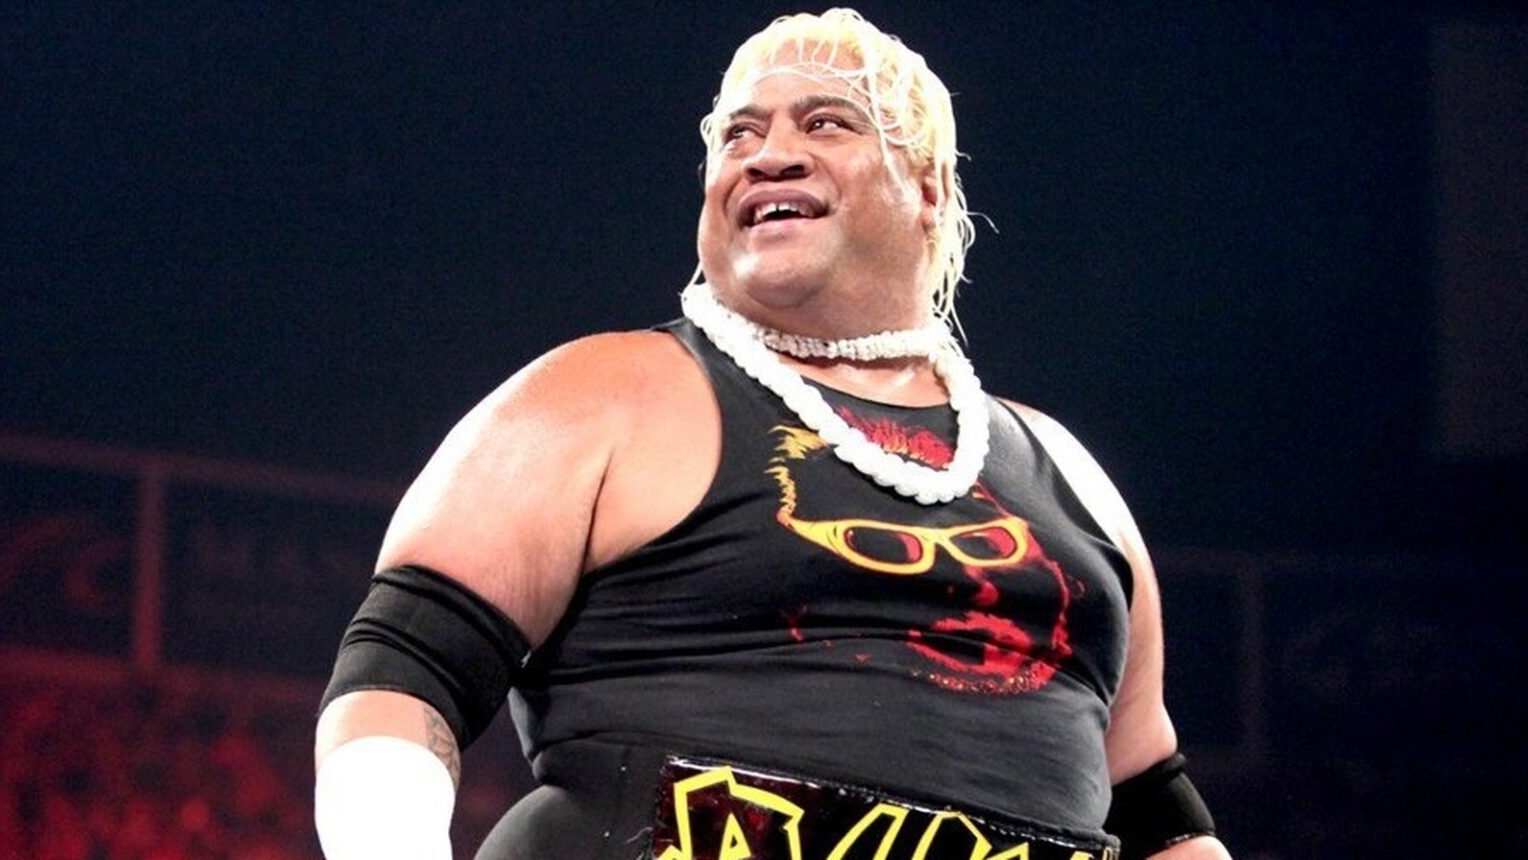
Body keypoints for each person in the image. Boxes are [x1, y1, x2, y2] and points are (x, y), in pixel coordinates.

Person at [313, 8, 1231, 860]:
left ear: (928, 185)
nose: (769, 156)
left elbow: (1154, 808)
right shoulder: (600, 397)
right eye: (739, 136)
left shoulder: (1067, 472)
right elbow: (403, 667)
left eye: (824, 123)